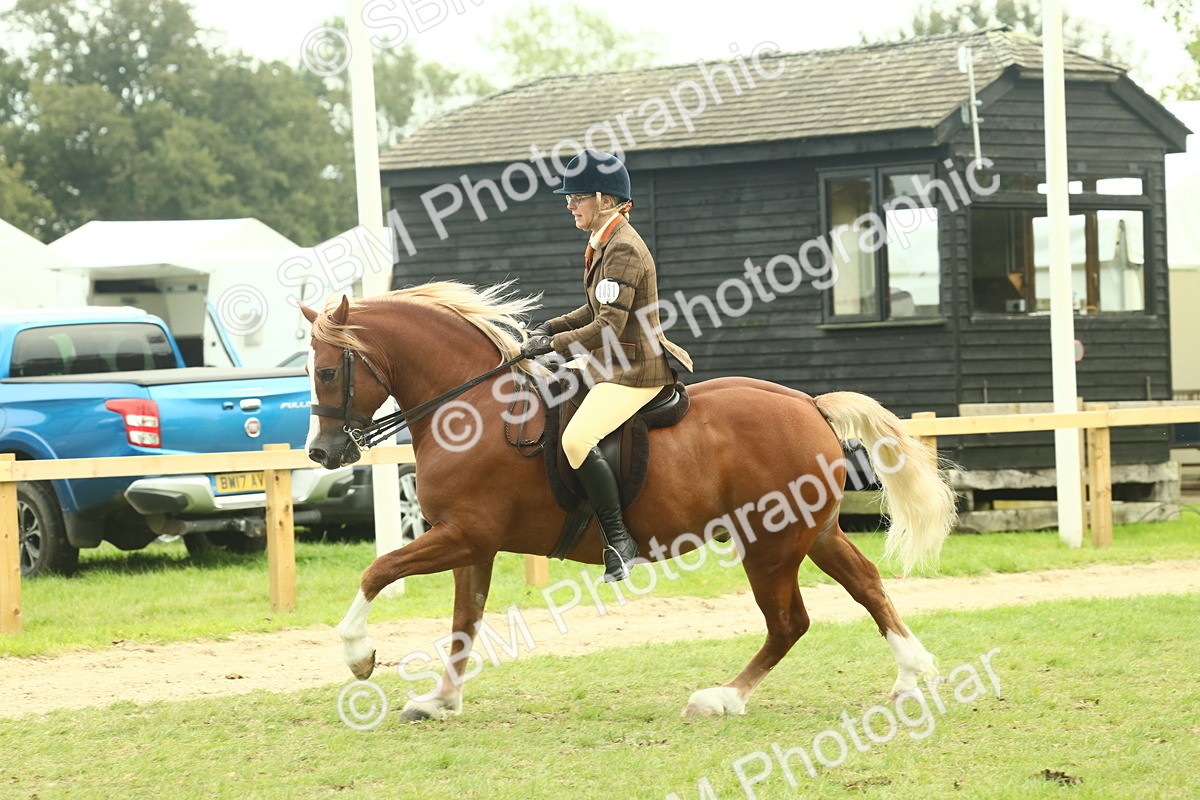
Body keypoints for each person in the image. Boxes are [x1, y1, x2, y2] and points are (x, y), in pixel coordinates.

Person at [521, 149, 693, 582]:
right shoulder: (605, 242)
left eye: (576, 196)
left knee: (577, 439)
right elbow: (595, 307)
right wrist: (550, 326)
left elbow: (610, 326)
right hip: (611, 365)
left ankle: (619, 539)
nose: (569, 204)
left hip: (636, 370)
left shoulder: (623, 249)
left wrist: (555, 344)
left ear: (604, 199)